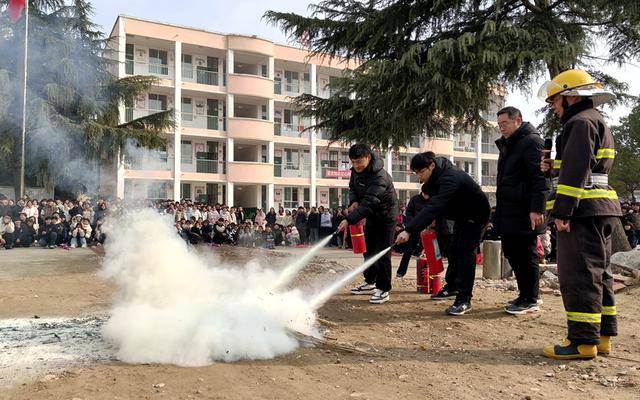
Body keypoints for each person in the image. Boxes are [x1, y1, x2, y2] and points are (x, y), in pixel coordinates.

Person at [538, 69, 621, 360]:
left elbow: (576, 172)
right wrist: (554, 169)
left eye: (554, 100)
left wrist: (563, 212)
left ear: (570, 96)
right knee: (600, 274)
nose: (553, 107)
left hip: (582, 212)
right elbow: (587, 167)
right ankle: (601, 337)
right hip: (599, 208)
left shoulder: (579, 123)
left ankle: (582, 342)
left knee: (579, 276)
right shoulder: (595, 120)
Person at [396, 152, 490, 315]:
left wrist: (409, 230)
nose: (419, 177)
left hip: (475, 215)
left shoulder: (450, 177)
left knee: (465, 254)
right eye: (416, 173)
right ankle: (452, 286)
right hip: (461, 216)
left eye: (421, 172)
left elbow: (436, 205)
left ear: (431, 166)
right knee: (454, 250)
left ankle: (464, 300)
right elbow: (433, 204)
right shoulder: (435, 177)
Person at [494, 106, 549, 315]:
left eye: (505, 123)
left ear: (518, 121)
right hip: (509, 209)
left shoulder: (532, 142)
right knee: (513, 252)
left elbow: (540, 178)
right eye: (499, 125)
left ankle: (531, 298)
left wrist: (537, 208)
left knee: (526, 254)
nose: (502, 128)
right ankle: (525, 294)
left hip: (525, 211)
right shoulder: (510, 144)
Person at [337, 144, 398, 304]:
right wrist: (354, 201)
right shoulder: (355, 172)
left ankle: (384, 289)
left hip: (386, 217)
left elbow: (370, 202)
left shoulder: (380, 177)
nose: (356, 166)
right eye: (353, 162)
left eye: (359, 162)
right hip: (371, 216)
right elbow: (352, 188)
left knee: (383, 253)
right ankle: (370, 281)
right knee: (369, 251)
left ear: (368, 157)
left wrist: (349, 220)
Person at [396, 190, 429, 278]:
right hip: (414, 229)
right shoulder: (415, 199)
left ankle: (430, 273)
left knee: (430, 252)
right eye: (426, 194)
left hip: (427, 230)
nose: (427, 196)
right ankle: (401, 272)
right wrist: (414, 224)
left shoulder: (432, 200)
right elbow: (409, 213)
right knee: (408, 251)